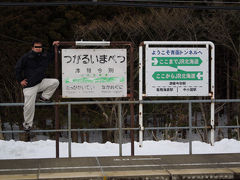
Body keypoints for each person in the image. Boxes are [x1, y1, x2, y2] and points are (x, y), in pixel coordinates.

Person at [15, 40, 60, 131]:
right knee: (29, 106)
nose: (39, 49)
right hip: (29, 85)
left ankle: (44, 98)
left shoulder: (44, 56)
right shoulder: (26, 57)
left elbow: (52, 55)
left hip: (40, 83)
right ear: (32, 48)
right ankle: (27, 125)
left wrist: (55, 46)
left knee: (55, 82)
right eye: (36, 47)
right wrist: (20, 80)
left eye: (40, 47)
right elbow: (17, 68)